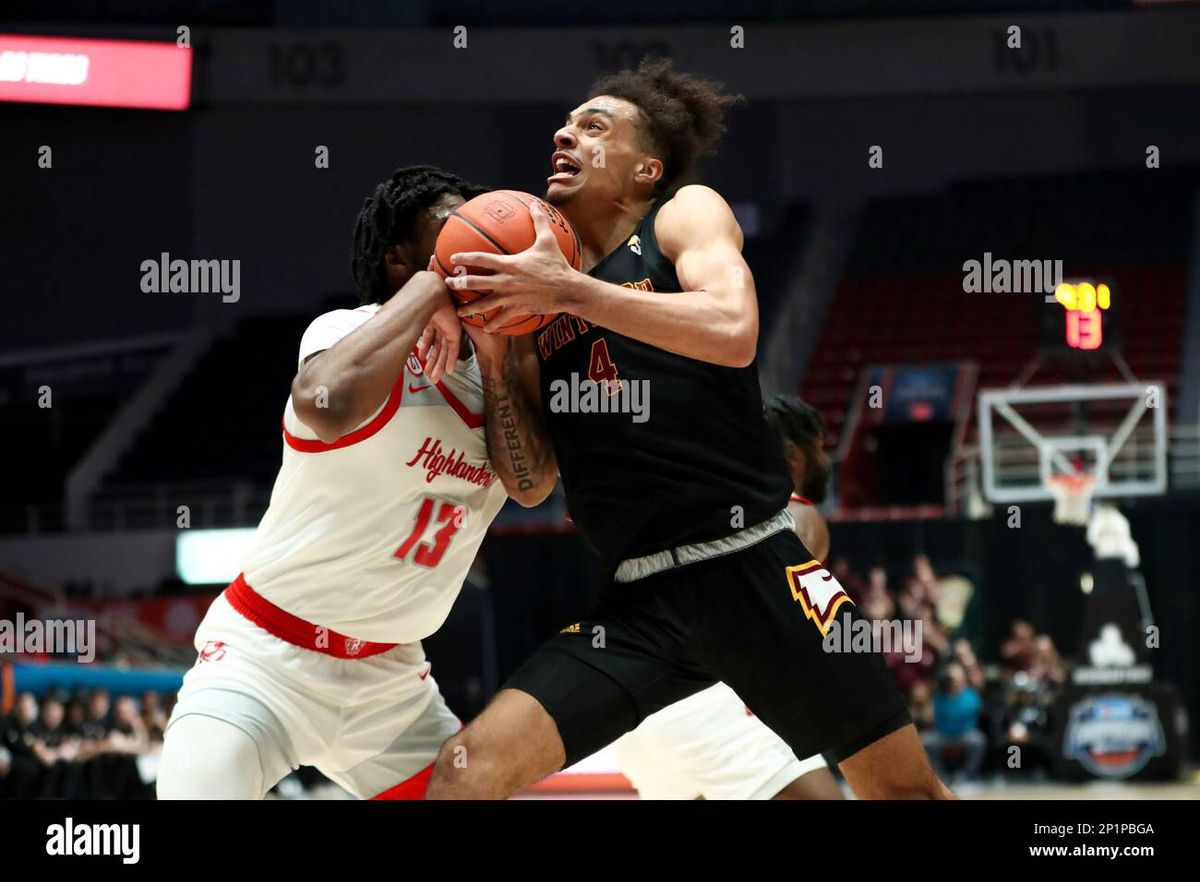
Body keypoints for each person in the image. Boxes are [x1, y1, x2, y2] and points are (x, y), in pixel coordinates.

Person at [427, 59, 949, 799]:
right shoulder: (538, 304)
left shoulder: (683, 214)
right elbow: (530, 479)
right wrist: (499, 354)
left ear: (647, 169)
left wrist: (570, 290)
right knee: (464, 773)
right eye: (567, 124)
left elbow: (734, 328)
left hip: (757, 568)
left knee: (906, 794)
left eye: (593, 125)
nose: (565, 133)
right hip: (639, 601)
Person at [158, 166, 530, 799]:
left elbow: (532, 485)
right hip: (266, 659)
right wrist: (429, 291)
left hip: (391, 687)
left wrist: (500, 355)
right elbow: (323, 405)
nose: (477, 235)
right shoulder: (343, 333)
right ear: (399, 258)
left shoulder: (500, 381)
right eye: (453, 225)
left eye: (484, 220)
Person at [610, 395, 842, 800]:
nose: (826, 461)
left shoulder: (691, 506)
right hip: (707, 706)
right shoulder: (798, 512)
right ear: (793, 457)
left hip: (633, 713)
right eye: (819, 448)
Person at [923, 662, 986, 783]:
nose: (955, 681)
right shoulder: (939, 695)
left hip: (965, 734)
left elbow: (967, 711)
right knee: (927, 742)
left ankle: (968, 775)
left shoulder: (970, 695)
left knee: (978, 740)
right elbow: (931, 716)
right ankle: (941, 776)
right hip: (942, 735)